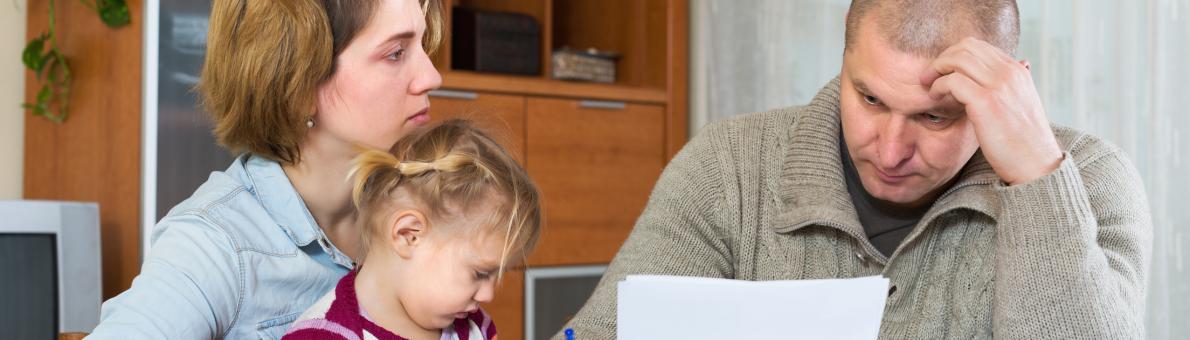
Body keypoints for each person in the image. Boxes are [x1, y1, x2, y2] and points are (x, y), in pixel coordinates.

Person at [559, 0, 1153, 338]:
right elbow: (606, 332)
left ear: (1007, 93)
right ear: (843, 62)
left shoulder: (1092, 182)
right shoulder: (728, 165)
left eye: (936, 118)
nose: (890, 150)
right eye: (869, 99)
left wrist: (1036, 176)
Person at [89, 0, 445, 338]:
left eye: (423, 47)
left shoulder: (429, 205)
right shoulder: (216, 246)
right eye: (395, 53)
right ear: (299, 83)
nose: (431, 77)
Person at [281, 119, 542, 340]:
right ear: (408, 234)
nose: (487, 295)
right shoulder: (324, 335)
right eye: (480, 273)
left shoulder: (475, 328)